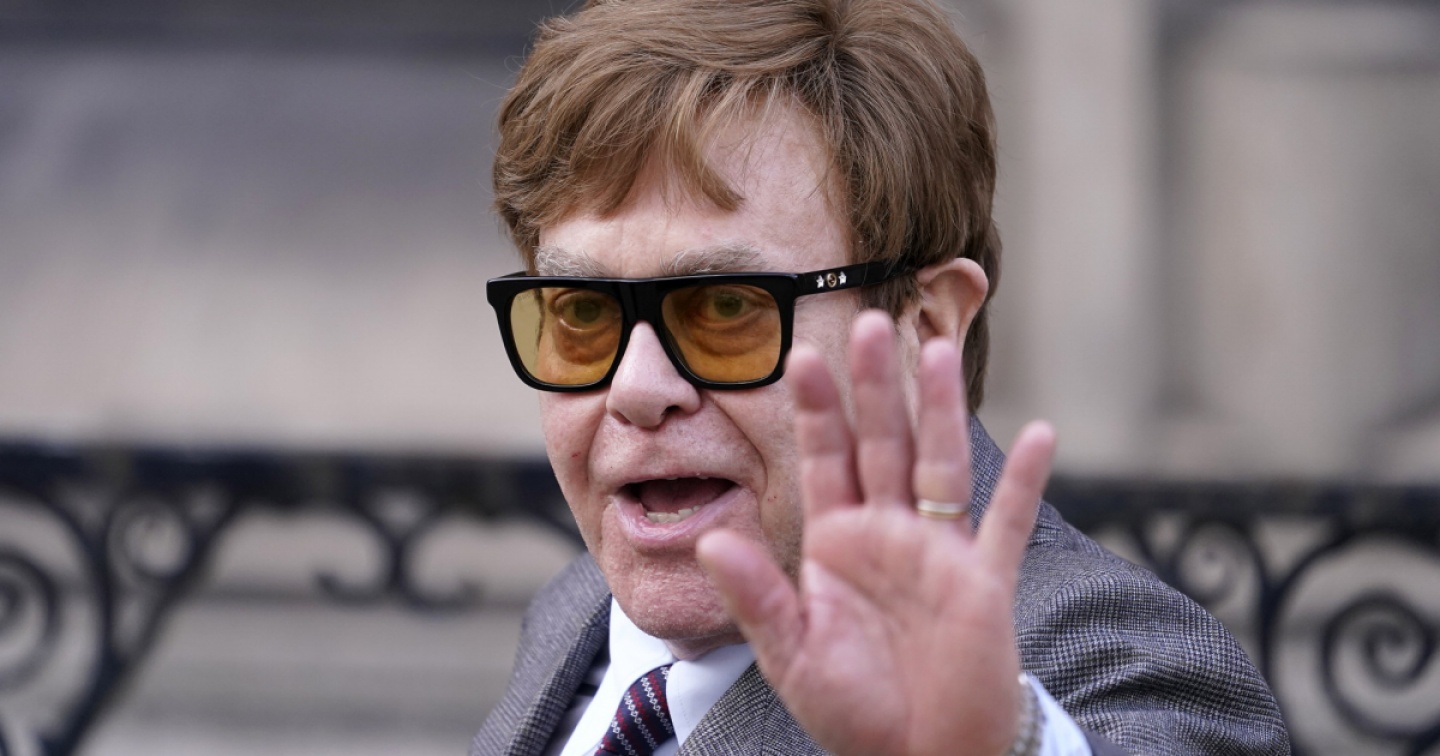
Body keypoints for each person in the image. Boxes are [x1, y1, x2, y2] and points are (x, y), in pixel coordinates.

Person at [471, 0, 1289, 753]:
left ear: (924, 328)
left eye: (725, 307)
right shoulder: (576, 609)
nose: (637, 389)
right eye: (583, 312)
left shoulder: (1112, 661)